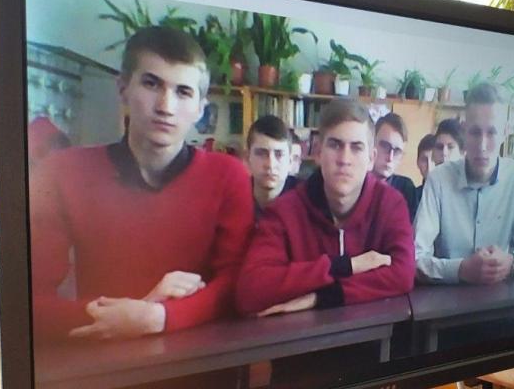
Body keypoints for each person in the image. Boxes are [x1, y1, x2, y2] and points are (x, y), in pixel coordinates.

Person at [29, 26, 254, 343]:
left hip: (202, 356)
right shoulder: (63, 172)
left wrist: (155, 317)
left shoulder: (229, 175)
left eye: (183, 92)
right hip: (105, 359)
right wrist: (133, 314)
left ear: (200, 109)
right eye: (151, 83)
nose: (165, 106)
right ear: (123, 88)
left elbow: (236, 285)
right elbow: (27, 301)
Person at [236, 99, 415, 315]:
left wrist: (323, 296)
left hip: (372, 332)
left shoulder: (390, 204)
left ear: (371, 159)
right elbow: (251, 290)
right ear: (318, 153)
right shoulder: (284, 211)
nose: (344, 159)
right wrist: (345, 266)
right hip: (303, 335)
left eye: (356, 147)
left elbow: (403, 273)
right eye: (335, 145)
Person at [414, 83, 514, 285]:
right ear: (464, 130)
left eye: (492, 132)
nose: (482, 146)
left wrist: (511, 263)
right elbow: (415, 257)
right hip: (446, 298)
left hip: (500, 295)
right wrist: (461, 269)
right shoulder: (438, 179)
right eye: (475, 132)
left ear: (505, 133)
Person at [246, 115, 298, 221]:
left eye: (279, 154)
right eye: (261, 153)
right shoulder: (234, 197)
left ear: (290, 161)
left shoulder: (306, 202)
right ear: (247, 158)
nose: (270, 164)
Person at [372, 112, 418, 221]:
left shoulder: (406, 189)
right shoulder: (356, 183)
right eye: (385, 146)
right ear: (371, 144)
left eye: (397, 151)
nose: (390, 157)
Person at [415, 133, 436, 205]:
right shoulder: (412, 196)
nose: (429, 166)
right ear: (418, 162)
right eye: (424, 160)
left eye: (433, 159)